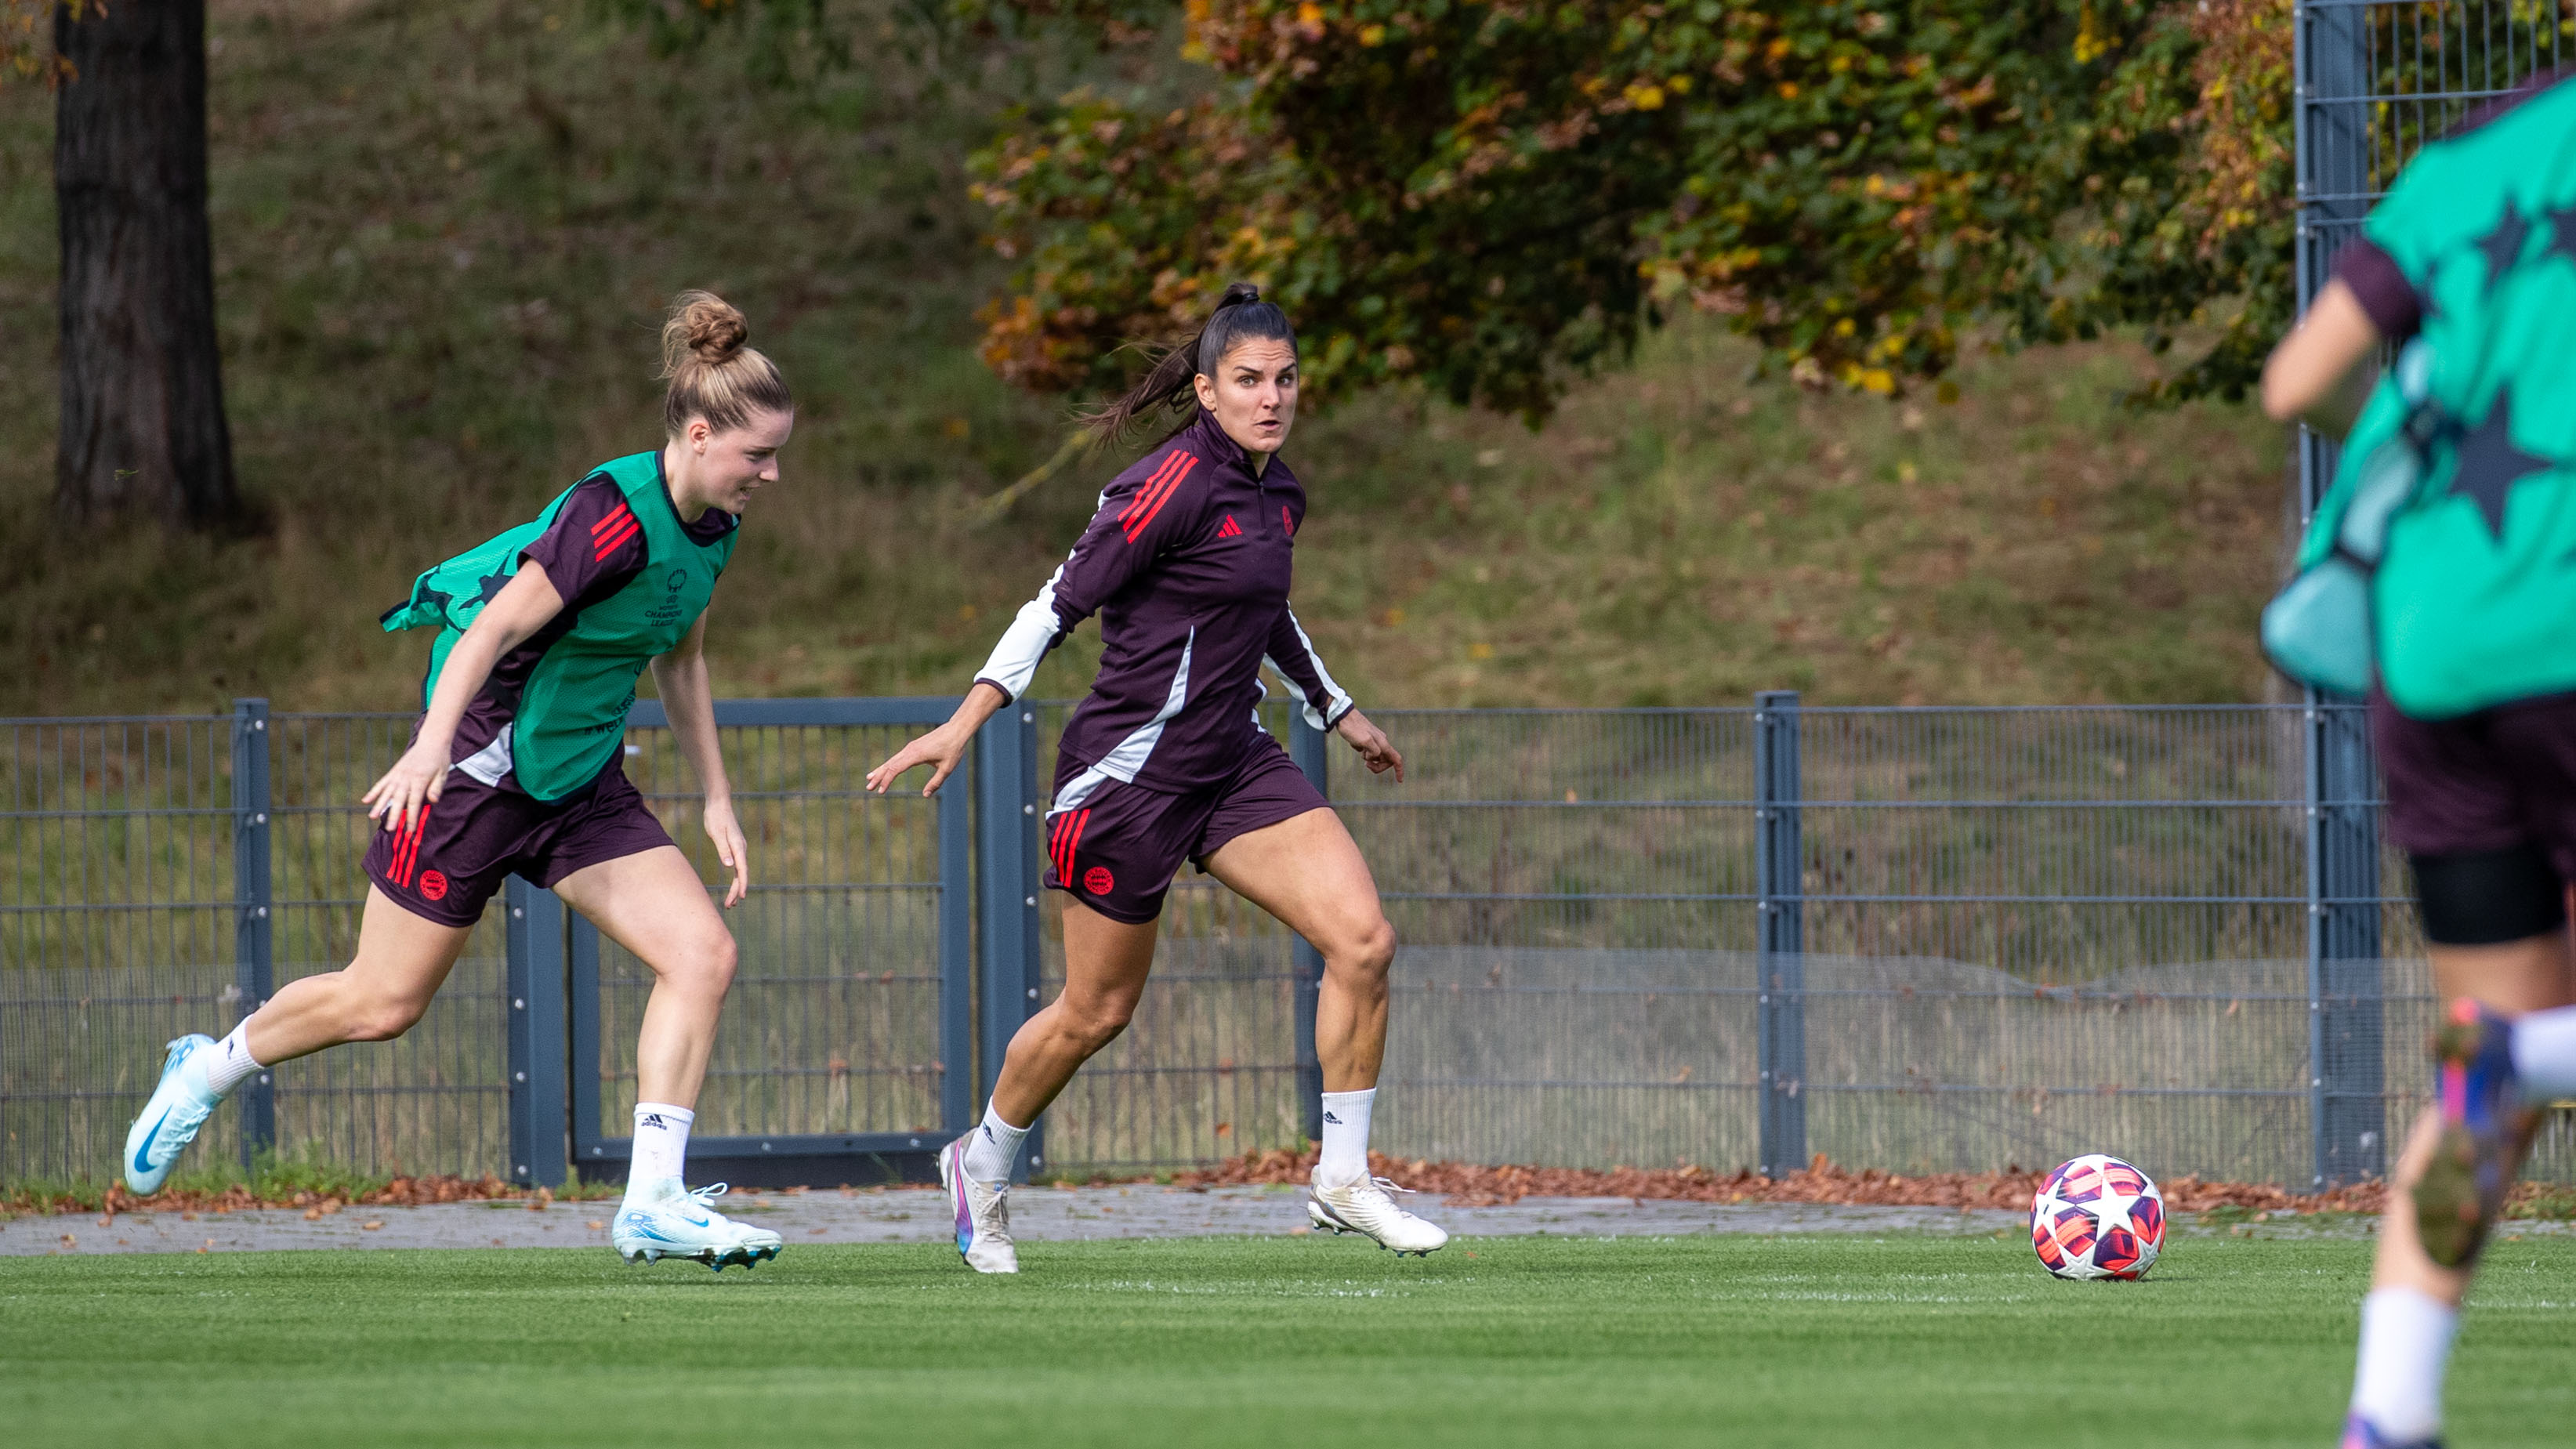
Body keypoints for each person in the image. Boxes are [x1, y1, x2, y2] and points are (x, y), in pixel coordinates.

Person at [121, 292, 793, 1273]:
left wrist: (717, 796)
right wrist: (433, 746)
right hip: (475, 773)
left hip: (577, 782)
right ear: (698, 435)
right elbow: (489, 630)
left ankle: (651, 1202)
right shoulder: (607, 519)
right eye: (758, 455)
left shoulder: (715, 524)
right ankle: (207, 1067)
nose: (771, 474)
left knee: (702, 955)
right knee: (382, 1004)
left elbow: (681, 660)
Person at [867, 282, 1446, 1273]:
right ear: (1207, 390)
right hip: (1124, 778)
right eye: (1248, 381)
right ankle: (981, 1163)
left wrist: (1336, 709)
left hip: (1232, 761)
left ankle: (1342, 1179)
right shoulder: (1167, 485)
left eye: (1286, 379)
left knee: (1363, 941)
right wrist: (966, 717)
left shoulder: (1279, 491)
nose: (1271, 397)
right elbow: (1054, 603)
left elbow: (1260, 610)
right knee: (1097, 1011)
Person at [2261, 71, 2576, 1449]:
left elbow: (2298, 379)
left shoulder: (2474, 150)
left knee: (2474, 1064)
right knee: (2507, 1050)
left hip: (2433, 642)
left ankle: (2387, 1410)